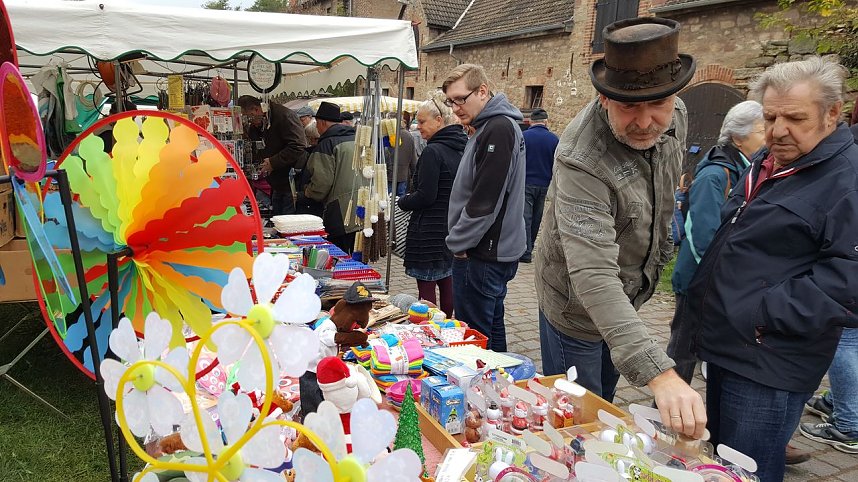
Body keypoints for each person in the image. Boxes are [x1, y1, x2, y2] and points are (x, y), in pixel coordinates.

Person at [678, 57, 858, 481]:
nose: (778, 130)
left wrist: (759, 315)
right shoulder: (769, 162)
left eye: (795, 118)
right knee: (725, 464)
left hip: (769, 359)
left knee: (750, 468)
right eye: (771, 116)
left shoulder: (846, 179)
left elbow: (846, 281)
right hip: (728, 347)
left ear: (833, 113)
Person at [534, 17, 706, 439]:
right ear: (604, 97)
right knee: (580, 419)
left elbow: (664, 188)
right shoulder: (580, 158)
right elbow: (592, 274)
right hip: (573, 306)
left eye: (658, 104)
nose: (646, 121)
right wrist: (660, 375)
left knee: (607, 399)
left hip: (629, 295)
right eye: (630, 106)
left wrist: (662, 249)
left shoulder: (677, 115)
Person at [668, 100, 765, 384]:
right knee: (683, 348)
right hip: (700, 280)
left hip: (719, 280)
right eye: (762, 130)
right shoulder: (715, 175)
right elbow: (703, 236)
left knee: (698, 344)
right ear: (738, 137)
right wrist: (725, 281)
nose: (769, 136)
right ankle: (664, 411)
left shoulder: (746, 169)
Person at [443, 64, 526, 352]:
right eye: (450, 102)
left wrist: (459, 243)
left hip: (482, 254)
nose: (455, 108)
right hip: (487, 252)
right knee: (489, 330)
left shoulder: (498, 129)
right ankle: (500, 389)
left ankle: (484, 391)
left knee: (474, 339)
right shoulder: (487, 127)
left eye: (460, 99)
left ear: (482, 91)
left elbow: (485, 201)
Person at [398, 91, 468, 317]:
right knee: (447, 283)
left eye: (422, 121)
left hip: (429, 232)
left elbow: (426, 196)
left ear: (439, 120)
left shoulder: (433, 151)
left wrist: (403, 201)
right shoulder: (461, 147)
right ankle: (447, 329)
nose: (418, 126)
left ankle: (431, 334)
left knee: (427, 296)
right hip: (450, 229)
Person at [304, 101, 365, 253]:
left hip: (340, 212)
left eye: (316, 123)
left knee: (339, 256)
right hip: (363, 207)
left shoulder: (327, 143)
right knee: (358, 257)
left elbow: (321, 183)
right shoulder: (357, 139)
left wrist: (306, 193)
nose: (316, 127)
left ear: (322, 122)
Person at [238, 96, 307, 216]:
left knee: (285, 220)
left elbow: (298, 145)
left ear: (255, 109)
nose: (248, 121)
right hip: (276, 181)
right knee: (277, 218)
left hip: (291, 181)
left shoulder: (283, 116)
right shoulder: (261, 123)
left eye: (248, 117)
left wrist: (273, 162)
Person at [520, 108, 559, 263]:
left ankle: (525, 251)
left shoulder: (524, 136)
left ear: (530, 122)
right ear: (546, 121)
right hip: (544, 184)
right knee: (536, 217)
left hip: (526, 183)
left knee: (525, 217)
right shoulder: (554, 139)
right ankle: (530, 246)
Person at [393, 121, 418, 197]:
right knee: (401, 196)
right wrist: (414, 172)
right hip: (403, 172)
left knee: (388, 197)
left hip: (389, 171)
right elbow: (413, 157)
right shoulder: (409, 136)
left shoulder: (389, 135)